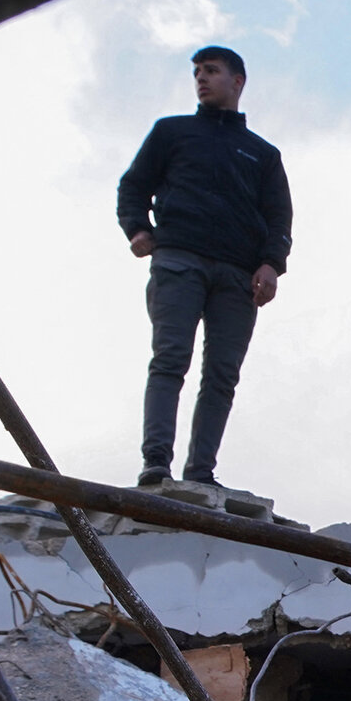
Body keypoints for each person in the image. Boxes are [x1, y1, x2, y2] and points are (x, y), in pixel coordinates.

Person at [117, 46, 292, 488]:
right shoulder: (172, 133)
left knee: (221, 376)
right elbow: (133, 185)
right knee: (170, 360)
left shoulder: (262, 154)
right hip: (178, 259)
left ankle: (200, 472)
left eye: (211, 71)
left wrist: (272, 263)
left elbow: (279, 217)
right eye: (197, 72)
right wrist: (137, 228)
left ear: (237, 81)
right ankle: (156, 462)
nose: (201, 78)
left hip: (238, 276)